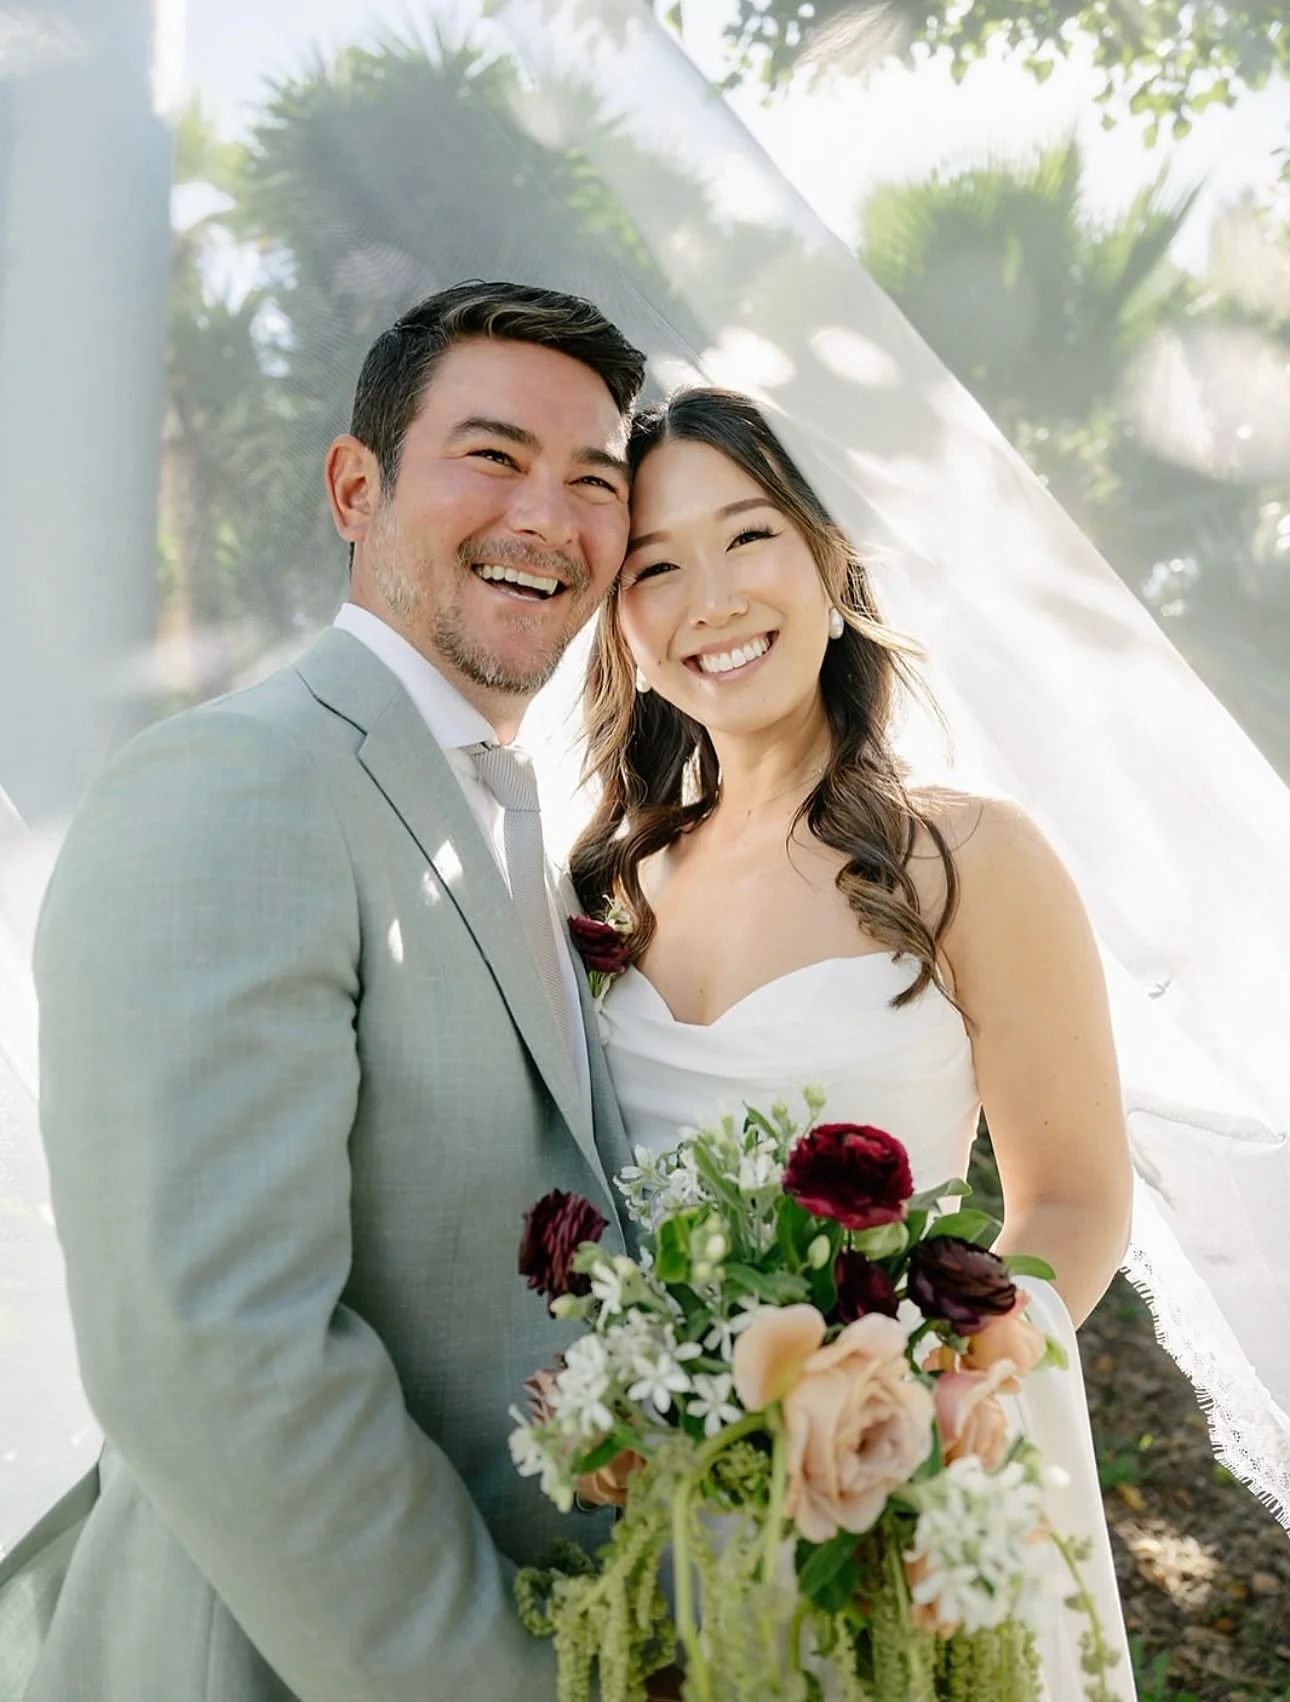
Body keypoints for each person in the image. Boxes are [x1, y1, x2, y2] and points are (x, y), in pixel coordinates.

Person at [0, 281, 647, 1702]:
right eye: (491, 456)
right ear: (355, 485)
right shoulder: (234, 786)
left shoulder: (516, 822)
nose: (546, 516)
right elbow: (214, 1348)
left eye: (592, 479)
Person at [570, 387, 1139, 1697]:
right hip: (654, 1527)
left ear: (830, 562)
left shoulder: (967, 860)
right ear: (623, 626)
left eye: (748, 534)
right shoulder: (601, 892)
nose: (707, 595)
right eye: (655, 564)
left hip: (890, 1503)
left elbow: (1076, 1194)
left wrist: (929, 1381)